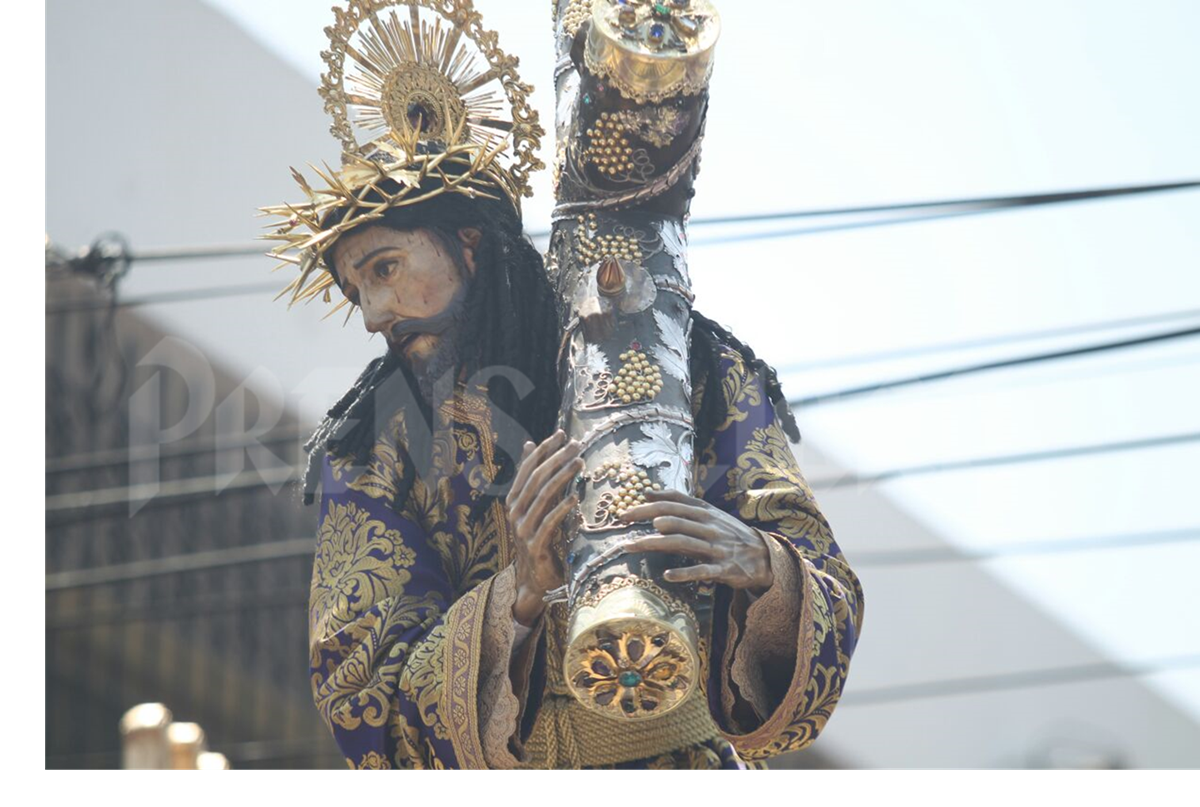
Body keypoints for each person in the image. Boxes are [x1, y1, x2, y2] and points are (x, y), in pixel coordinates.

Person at [260, 0, 864, 770]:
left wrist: (762, 567)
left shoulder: (692, 357)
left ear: (468, 245)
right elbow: (362, 700)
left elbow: (828, 592)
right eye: (357, 292)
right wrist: (514, 596)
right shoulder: (375, 444)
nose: (377, 315)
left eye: (385, 269)